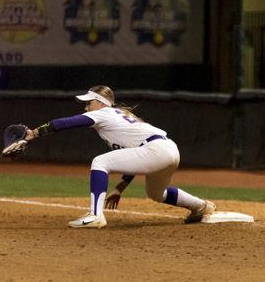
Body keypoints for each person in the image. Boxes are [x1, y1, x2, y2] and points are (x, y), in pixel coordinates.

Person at [23, 85, 215, 228]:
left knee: (100, 161)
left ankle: (96, 215)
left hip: (155, 150)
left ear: (100, 102)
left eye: (88, 103)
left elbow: (68, 122)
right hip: (169, 150)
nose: (86, 107)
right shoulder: (116, 115)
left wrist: (34, 133)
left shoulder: (104, 114)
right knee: (156, 193)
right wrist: (119, 188)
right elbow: (135, 157)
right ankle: (201, 207)